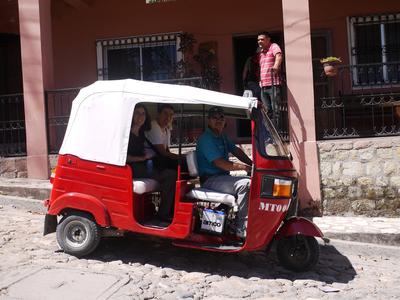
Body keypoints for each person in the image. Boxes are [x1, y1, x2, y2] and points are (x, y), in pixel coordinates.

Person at [196, 106, 253, 238]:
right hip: (210, 180)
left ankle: (236, 221)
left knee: (252, 181)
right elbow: (220, 163)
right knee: (245, 184)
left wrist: (252, 163)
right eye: (214, 118)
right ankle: (241, 227)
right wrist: (245, 168)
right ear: (209, 121)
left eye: (221, 117)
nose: (218, 120)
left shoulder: (222, 136)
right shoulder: (206, 139)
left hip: (221, 178)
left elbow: (236, 151)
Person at [127, 104, 177, 222]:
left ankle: (168, 211)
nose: (140, 116)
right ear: (132, 115)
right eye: (137, 113)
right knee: (171, 175)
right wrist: (141, 158)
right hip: (132, 169)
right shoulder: (127, 134)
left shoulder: (140, 134)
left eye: (143, 114)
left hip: (143, 166)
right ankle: (163, 214)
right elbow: (124, 157)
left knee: (173, 173)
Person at [257, 31, 283, 124]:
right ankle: (270, 133)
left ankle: (278, 132)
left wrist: (276, 66)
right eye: (258, 40)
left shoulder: (273, 46)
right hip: (263, 85)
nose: (260, 41)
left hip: (273, 84)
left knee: (276, 109)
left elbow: (279, 55)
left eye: (262, 39)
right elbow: (262, 68)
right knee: (267, 110)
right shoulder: (261, 53)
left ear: (268, 39)